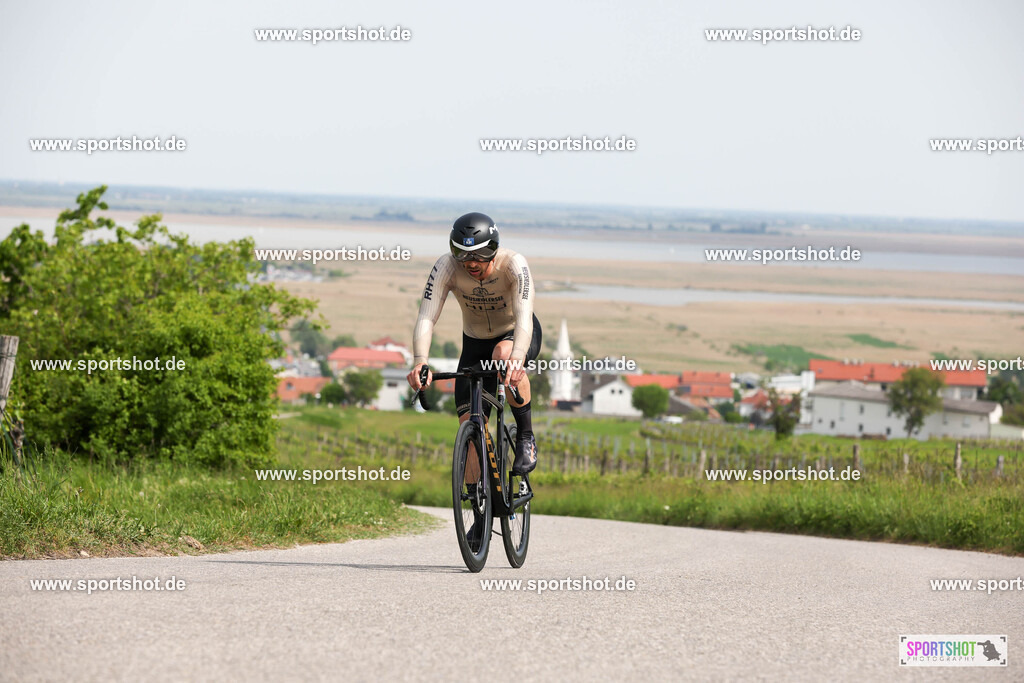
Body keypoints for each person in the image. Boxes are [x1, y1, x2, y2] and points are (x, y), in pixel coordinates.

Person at [406, 212, 541, 480]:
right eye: (462, 254)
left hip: (516, 335)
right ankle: (477, 510)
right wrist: (420, 361)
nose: (471, 263)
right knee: (468, 427)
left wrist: (517, 357)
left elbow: (524, 317)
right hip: (475, 344)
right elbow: (426, 316)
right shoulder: (446, 266)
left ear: (494, 248)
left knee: (502, 354)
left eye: (480, 254)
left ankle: (525, 436)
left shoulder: (513, 264)